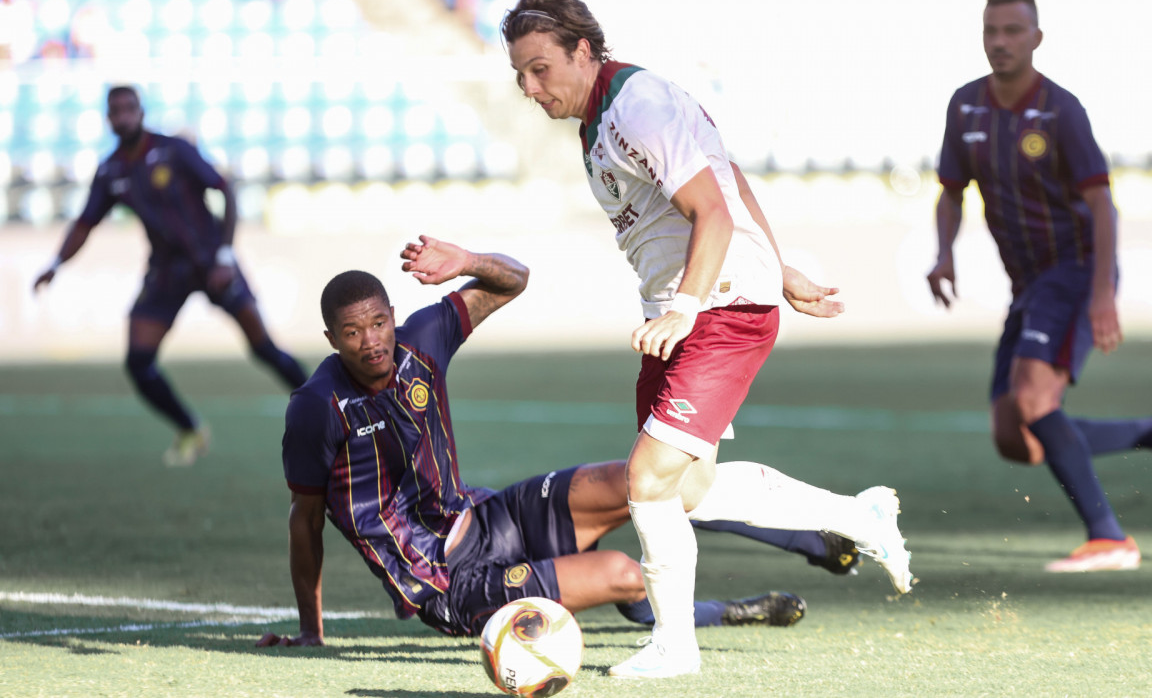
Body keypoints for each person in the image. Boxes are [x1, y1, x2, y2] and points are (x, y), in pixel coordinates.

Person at [501, 0, 914, 679]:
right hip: (688, 306)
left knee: (648, 479)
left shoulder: (639, 105)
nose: (529, 87)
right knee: (686, 492)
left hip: (714, 308)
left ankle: (674, 646)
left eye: (540, 68)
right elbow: (729, 180)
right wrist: (778, 268)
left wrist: (697, 302)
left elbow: (714, 212)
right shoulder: (599, 121)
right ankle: (857, 516)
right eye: (519, 74)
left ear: (582, 49)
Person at [257, 236, 877, 650]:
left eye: (378, 322)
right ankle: (732, 611)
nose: (370, 341)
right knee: (626, 575)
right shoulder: (315, 408)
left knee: (650, 480)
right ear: (330, 338)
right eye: (351, 332)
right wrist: (311, 633)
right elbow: (304, 520)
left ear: (394, 314)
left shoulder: (422, 337)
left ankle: (821, 542)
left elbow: (513, 280)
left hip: (486, 516)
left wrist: (466, 259)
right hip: (450, 582)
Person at [928, 0, 1152, 573]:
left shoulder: (1060, 110)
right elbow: (950, 193)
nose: (999, 42)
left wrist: (1102, 293)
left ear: (1036, 38)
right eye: (990, 31)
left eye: (1012, 31)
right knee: (1015, 437)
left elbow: (1103, 205)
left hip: (1075, 270)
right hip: (1029, 283)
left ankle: (1110, 537)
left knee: (1032, 397)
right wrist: (943, 252)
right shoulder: (965, 106)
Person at [33, 85, 308, 466]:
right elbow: (84, 224)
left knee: (264, 348)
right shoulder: (111, 169)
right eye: (117, 111)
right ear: (109, 119)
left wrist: (225, 254)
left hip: (211, 262)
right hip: (166, 271)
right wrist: (55, 263)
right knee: (139, 362)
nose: (124, 116)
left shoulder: (174, 151)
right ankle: (191, 429)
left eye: (130, 108)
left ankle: (328, 410)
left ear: (141, 112)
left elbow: (224, 189)